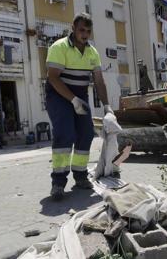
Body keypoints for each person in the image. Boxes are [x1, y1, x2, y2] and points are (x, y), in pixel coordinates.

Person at [45, 13, 113, 200]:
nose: (85, 34)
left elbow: (99, 81)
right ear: (73, 28)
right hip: (58, 95)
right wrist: (73, 100)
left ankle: (80, 176)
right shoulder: (59, 47)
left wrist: (107, 106)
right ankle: (58, 183)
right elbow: (53, 77)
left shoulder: (92, 53)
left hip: (80, 96)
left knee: (86, 133)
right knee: (65, 134)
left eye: (88, 31)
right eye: (82, 30)